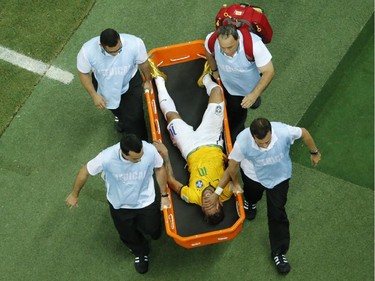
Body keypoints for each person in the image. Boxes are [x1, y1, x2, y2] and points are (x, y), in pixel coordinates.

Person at [226, 117, 321, 274]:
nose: (265, 145)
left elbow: (304, 132)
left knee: (277, 212)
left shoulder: (283, 131)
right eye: (261, 142)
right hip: (254, 176)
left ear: (271, 131)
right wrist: (235, 183)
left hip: (279, 177)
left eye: (268, 141)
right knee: (251, 194)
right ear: (253, 136)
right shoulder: (243, 141)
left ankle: (279, 252)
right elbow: (233, 164)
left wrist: (314, 152)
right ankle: (250, 202)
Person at [65, 133, 170, 274]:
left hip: (146, 200)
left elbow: (159, 168)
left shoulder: (149, 150)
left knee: (153, 230)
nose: (140, 160)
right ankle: (141, 253)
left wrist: (164, 195)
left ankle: (152, 230)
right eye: (135, 159)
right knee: (129, 235)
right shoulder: (106, 157)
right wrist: (74, 194)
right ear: (123, 153)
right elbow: (85, 172)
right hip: (120, 205)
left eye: (141, 156)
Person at [149, 59, 234, 225]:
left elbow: (172, 181)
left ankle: (159, 80)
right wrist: (228, 160)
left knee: (170, 117)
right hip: (212, 140)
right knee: (217, 91)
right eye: (212, 203)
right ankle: (205, 80)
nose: (206, 200)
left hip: (188, 147)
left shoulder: (192, 196)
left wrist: (165, 154)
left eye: (205, 206)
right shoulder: (227, 191)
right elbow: (235, 167)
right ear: (220, 202)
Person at [77, 28, 151, 140]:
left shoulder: (135, 43)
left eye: (119, 49)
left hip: (130, 83)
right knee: (117, 109)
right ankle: (121, 119)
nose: (116, 53)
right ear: (101, 46)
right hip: (104, 86)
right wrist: (94, 95)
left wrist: (148, 81)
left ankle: (141, 143)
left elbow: (143, 63)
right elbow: (83, 73)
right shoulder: (87, 51)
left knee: (135, 117)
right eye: (112, 52)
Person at [204, 25, 275, 140]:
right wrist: (214, 70)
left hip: (250, 88)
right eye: (223, 48)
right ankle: (234, 136)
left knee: (253, 102)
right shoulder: (211, 40)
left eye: (230, 47)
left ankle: (253, 100)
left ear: (238, 39)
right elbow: (207, 51)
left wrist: (253, 95)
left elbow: (269, 72)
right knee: (237, 114)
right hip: (231, 88)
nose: (226, 52)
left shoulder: (254, 45)